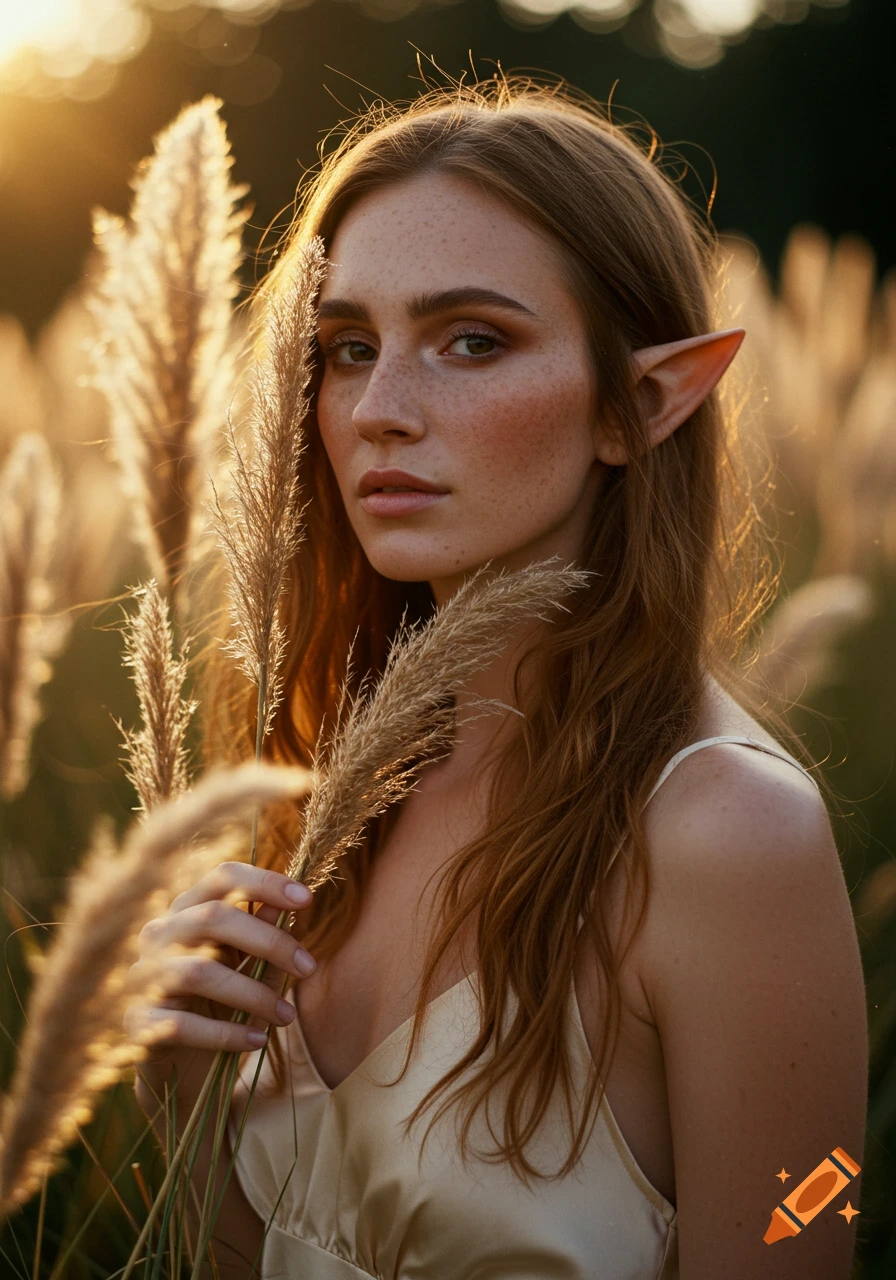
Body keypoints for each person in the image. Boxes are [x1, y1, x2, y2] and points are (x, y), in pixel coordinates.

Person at [130, 77, 868, 1278]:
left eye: (472, 340)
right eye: (346, 348)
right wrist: (183, 1100)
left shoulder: (729, 833)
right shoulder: (317, 776)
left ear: (640, 402)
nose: (378, 409)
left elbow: (810, 1216)